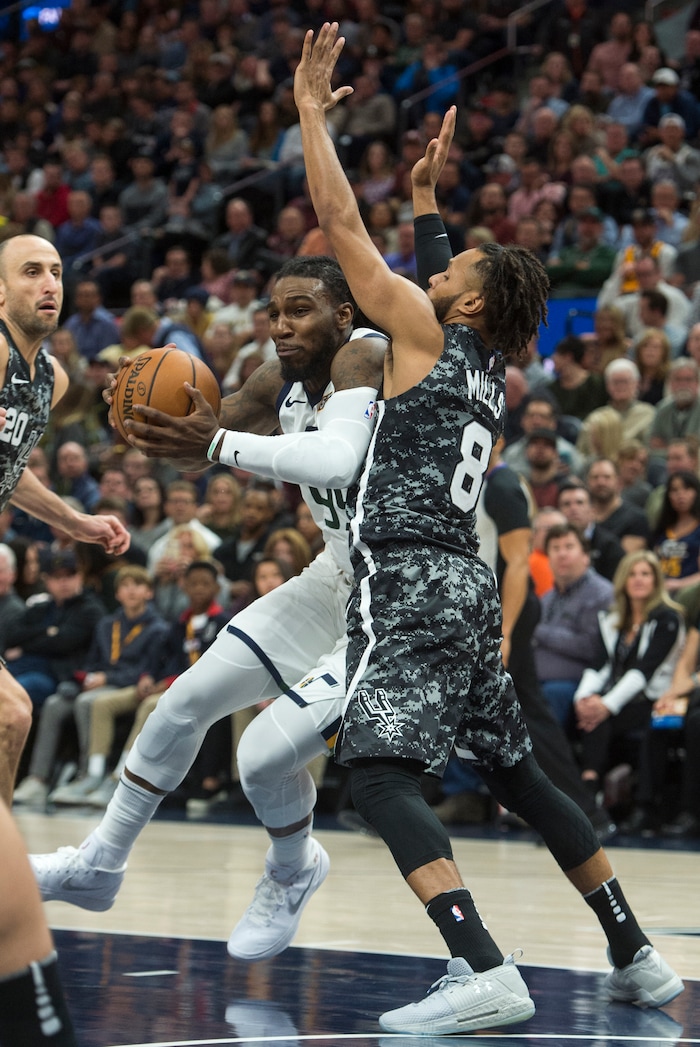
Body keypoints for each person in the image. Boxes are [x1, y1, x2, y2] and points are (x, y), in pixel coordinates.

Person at [237, 26, 681, 1033]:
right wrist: (433, 206)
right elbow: (437, 274)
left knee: (377, 774)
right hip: (464, 584)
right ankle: (637, 954)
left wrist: (311, 118)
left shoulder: (424, 331)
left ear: (467, 299)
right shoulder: (482, 357)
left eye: (449, 262)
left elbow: (342, 227)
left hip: (408, 584)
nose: (433, 265)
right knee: (519, 773)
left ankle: (480, 965)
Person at [29, 254, 388, 931]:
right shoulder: (278, 377)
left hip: (398, 596)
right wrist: (139, 421)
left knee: (264, 758)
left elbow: (334, 460)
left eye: (301, 309)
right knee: (182, 702)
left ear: (345, 314)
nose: (281, 325)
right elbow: (200, 441)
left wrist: (219, 442)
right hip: (334, 573)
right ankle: (100, 864)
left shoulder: (366, 357)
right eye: (275, 311)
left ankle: (292, 867)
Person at [0, 234, 129, 805]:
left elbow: (9, 469)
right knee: (11, 714)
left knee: (11, 718)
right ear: (0, 292)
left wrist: (77, 523)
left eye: (55, 271)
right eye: (30, 272)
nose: (49, 283)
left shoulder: (52, 379)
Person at [573, 550, 685, 803]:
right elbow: (598, 666)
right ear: (623, 580)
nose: (638, 579)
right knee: (587, 714)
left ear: (656, 581)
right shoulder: (613, 619)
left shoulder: (667, 618)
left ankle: (591, 791)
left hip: (654, 700)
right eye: (632, 574)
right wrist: (583, 699)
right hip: (620, 700)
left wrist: (605, 705)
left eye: (645, 574)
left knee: (599, 718)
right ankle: (589, 787)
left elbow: (643, 673)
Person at [653, 470, 700, 593]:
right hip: (658, 589)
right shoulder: (662, 529)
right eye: (674, 490)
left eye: (687, 489)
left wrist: (679, 584)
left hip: (689, 593)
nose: (680, 495)